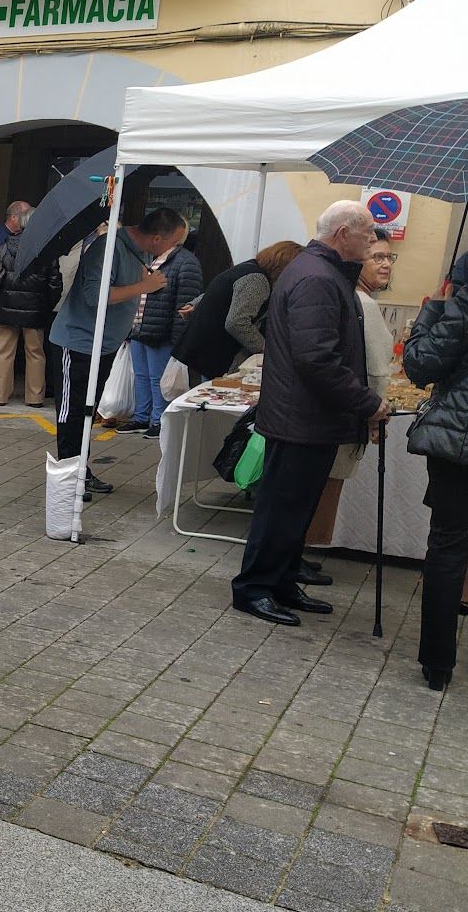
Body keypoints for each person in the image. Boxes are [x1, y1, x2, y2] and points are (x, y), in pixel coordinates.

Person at [230, 201, 389, 627]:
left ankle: (280, 580)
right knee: (280, 509)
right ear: (343, 234)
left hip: (308, 416)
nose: (372, 241)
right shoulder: (318, 277)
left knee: (295, 509)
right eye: (368, 233)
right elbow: (316, 358)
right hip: (300, 417)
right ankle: (255, 588)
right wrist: (366, 401)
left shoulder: (321, 272)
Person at [49, 208, 187, 495]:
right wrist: (144, 286)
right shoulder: (108, 248)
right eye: (174, 242)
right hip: (78, 343)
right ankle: (66, 479)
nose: (174, 249)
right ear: (157, 238)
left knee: (89, 410)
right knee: (73, 412)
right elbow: (95, 296)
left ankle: (81, 471)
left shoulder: (140, 252)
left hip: (106, 344)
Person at [307, 230, 398, 553]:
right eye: (377, 257)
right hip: (348, 413)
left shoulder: (347, 295)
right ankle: (310, 551)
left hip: (333, 410)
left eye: (389, 257)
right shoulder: (362, 303)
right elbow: (374, 370)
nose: (386, 265)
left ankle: (303, 553)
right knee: (327, 489)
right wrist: (375, 414)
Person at [403, 278, 468, 692]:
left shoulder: (464, 302)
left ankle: (438, 663)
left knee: (448, 545)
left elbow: (420, 365)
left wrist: (435, 307)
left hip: (459, 440)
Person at [174, 241, 303, 382]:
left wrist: (196, 304)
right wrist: (265, 349)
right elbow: (236, 322)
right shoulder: (257, 280)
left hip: (205, 349)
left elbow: (222, 289)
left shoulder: (248, 267)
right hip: (217, 354)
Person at [121, 239, 203, 438]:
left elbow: (184, 302)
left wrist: (178, 339)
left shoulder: (186, 262)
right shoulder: (147, 257)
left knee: (159, 379)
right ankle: (142, 417)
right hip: (138, 326)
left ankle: (159, 420)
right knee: (140, 376)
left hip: (161, 331)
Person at [0, 209, 60, 407]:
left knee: (3, 352)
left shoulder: (5, 246)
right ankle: (34, 397)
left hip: (5, 308)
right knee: (35, 353)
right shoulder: (46, 250)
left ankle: (0, 395)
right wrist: (46, 305)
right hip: (35, 310)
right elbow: (55, 284)